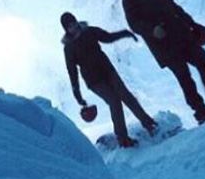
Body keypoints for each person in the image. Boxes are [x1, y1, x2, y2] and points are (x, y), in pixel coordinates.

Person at [61, 11, 156, 148]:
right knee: (114, 101)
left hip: (108, 71)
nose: (74, 27)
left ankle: (150, 125)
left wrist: (124, 33)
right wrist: (77, 94)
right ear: (66, 29)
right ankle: (123, 139)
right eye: (70, 26)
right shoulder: (69, 48)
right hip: (94, 81)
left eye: (74, 23)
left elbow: (108, 37)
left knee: (126, 96)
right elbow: (72, 72)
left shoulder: (90, 32)